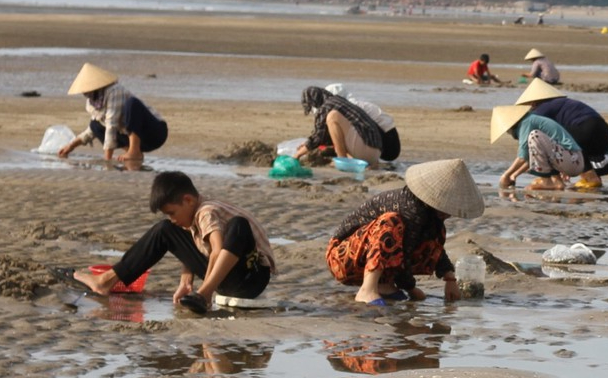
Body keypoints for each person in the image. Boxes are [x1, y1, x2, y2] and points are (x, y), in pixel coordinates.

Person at [73, 170, 274, 314]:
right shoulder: (193, 214)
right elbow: (194, 246)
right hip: (225, 279)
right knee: (165, 230)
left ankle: (203, 295)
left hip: (251, 276)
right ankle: (107, 280)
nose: (173, 218)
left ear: (188, 200)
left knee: (239, 225)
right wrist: (186, 282)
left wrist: (204, 292)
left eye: (172, 213)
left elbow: (216, 250)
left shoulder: (206, 212)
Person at [326, 159, 484, 306]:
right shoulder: (410, 208)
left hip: (364, 257)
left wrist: (450, 279)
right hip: (342, 258)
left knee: (436, 233)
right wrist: (411, 289)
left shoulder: (428, 213)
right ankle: (368, 289)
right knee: (391, 223)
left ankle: (384, 284)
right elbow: (405, 255)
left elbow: (436, 247)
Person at [493, 79, 608, 191]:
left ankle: (588, 178)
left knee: (554, 141)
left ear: (533, 103)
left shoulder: (540, 111)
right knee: (567, 144)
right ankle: (586, 177)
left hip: (586, 129)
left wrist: (512, 175)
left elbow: (533, 150)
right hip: (606, 134)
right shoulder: (561, 104)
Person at [55, 63, 168, 167]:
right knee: (95, 125)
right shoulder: (92, 103)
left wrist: (107, 159)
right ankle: (133, 152)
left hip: (154, 133)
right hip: (136, 139)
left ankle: (134, 151)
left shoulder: (114, 91)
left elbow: (111, 124)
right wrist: (71, 146)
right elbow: (92, 130)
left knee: (132, 104)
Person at [296, 84, 400, 164]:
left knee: (332, 117)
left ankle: (343, 161)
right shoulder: (346, 103)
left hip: (387, 145)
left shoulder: (331, 107)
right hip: (378, 147)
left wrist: (296, 155)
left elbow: (319, 136)